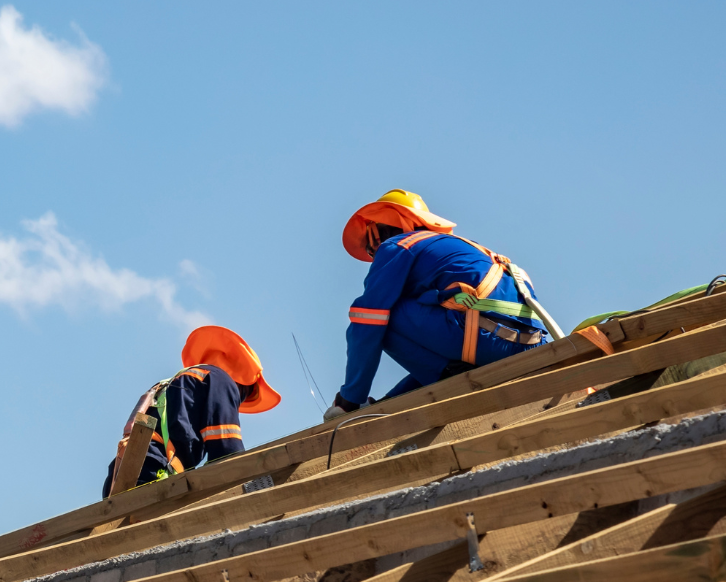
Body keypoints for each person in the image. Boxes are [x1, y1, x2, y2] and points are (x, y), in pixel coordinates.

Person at [325, 190, 552, 420]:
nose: (372, 253)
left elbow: (367, 322)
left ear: (380, 227)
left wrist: (350, 400)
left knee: (379, 315)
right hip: (526, 345)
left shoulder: (398, 245)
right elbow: (441, 365)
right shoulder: (458, 249)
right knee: (405, 314)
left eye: (370, 244)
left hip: (485, 341)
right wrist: (385, 404)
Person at [104, 325, 281, 496]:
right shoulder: (221, 381)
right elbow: (227, 453)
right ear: (242, 381)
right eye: (243, 395)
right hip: (155, 475)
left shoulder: (171, 383)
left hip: (118, 479)